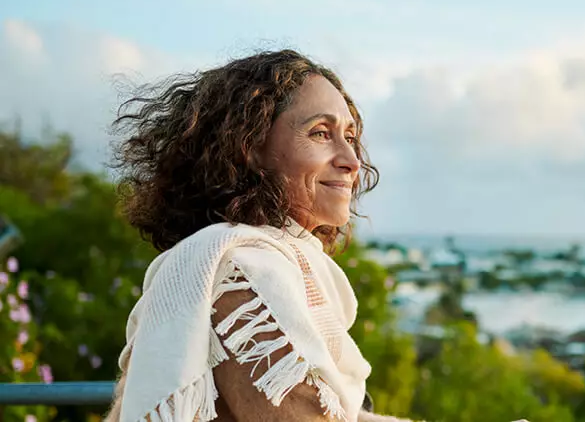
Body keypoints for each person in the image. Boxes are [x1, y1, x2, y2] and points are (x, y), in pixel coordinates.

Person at [104, 49, 412, 422]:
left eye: (350, 136)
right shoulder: (243, 273)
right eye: (320, 133)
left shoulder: (280, 264)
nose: (352, 160)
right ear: (250, 147)